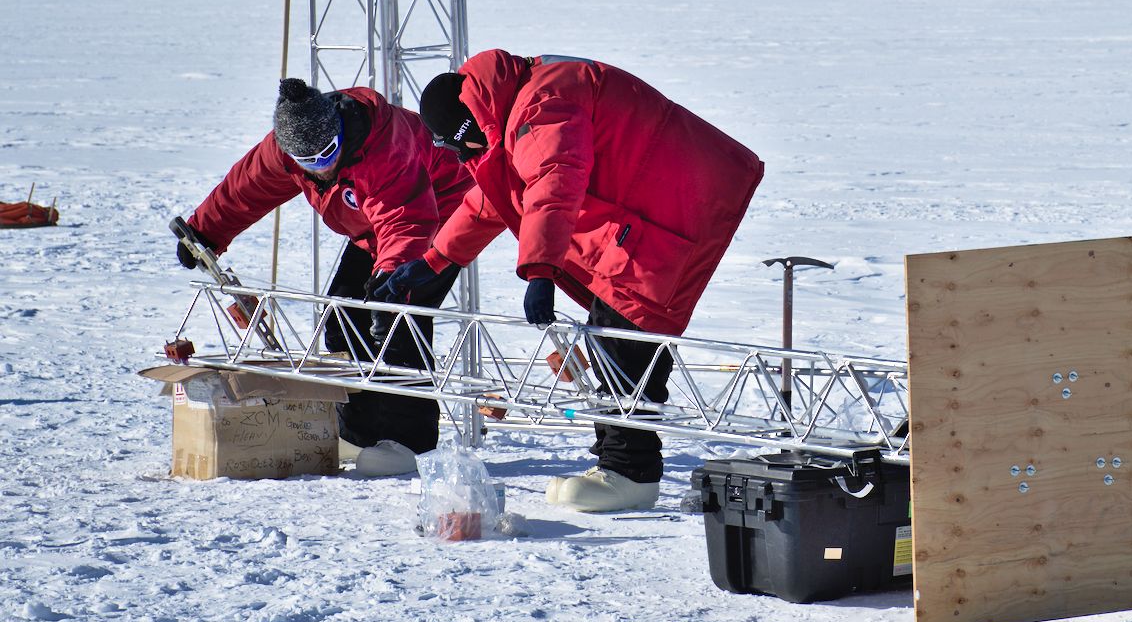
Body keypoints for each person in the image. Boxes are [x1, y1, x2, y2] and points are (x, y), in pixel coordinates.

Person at [402, 49, 763, 512]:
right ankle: (620, 466)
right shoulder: (512, 105)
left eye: (457, 147)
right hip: (657, 201)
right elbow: (502, 194)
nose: (461, 157)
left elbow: (554, 184)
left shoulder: (541, 106)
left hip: (678, 200)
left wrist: (540, 270)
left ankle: (629, 474)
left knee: (623, 327)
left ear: (467, 128)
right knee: (611, 326)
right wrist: (435, 258)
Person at [177, 78, 473, 475]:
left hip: (441, 211)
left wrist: (392, 284)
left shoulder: (383, 145)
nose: (322, 165)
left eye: (328, 153)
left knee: (401, 320)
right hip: (373, 228)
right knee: (343, 320)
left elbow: (407, 220)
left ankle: (408, 442)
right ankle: (360, 433)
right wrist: (205, 231)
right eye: (308, 161)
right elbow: (247, 187)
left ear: (337, 129)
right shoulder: (287, 149)